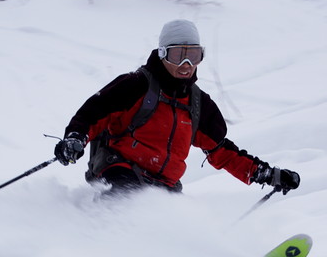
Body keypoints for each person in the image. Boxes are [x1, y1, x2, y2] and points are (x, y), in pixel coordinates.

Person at [54, 19, 300, 197]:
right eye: (177, 55)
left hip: (165, 184)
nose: (185, 64)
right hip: (120, 168)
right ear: (162, 54)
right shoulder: (136, 85)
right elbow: (93, 113)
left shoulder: (198, 104)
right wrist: (75, 139)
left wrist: (267, 174)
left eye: (193, 56)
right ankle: (105, 249)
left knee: (178, 224)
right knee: (126, 196)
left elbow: (222, 152)